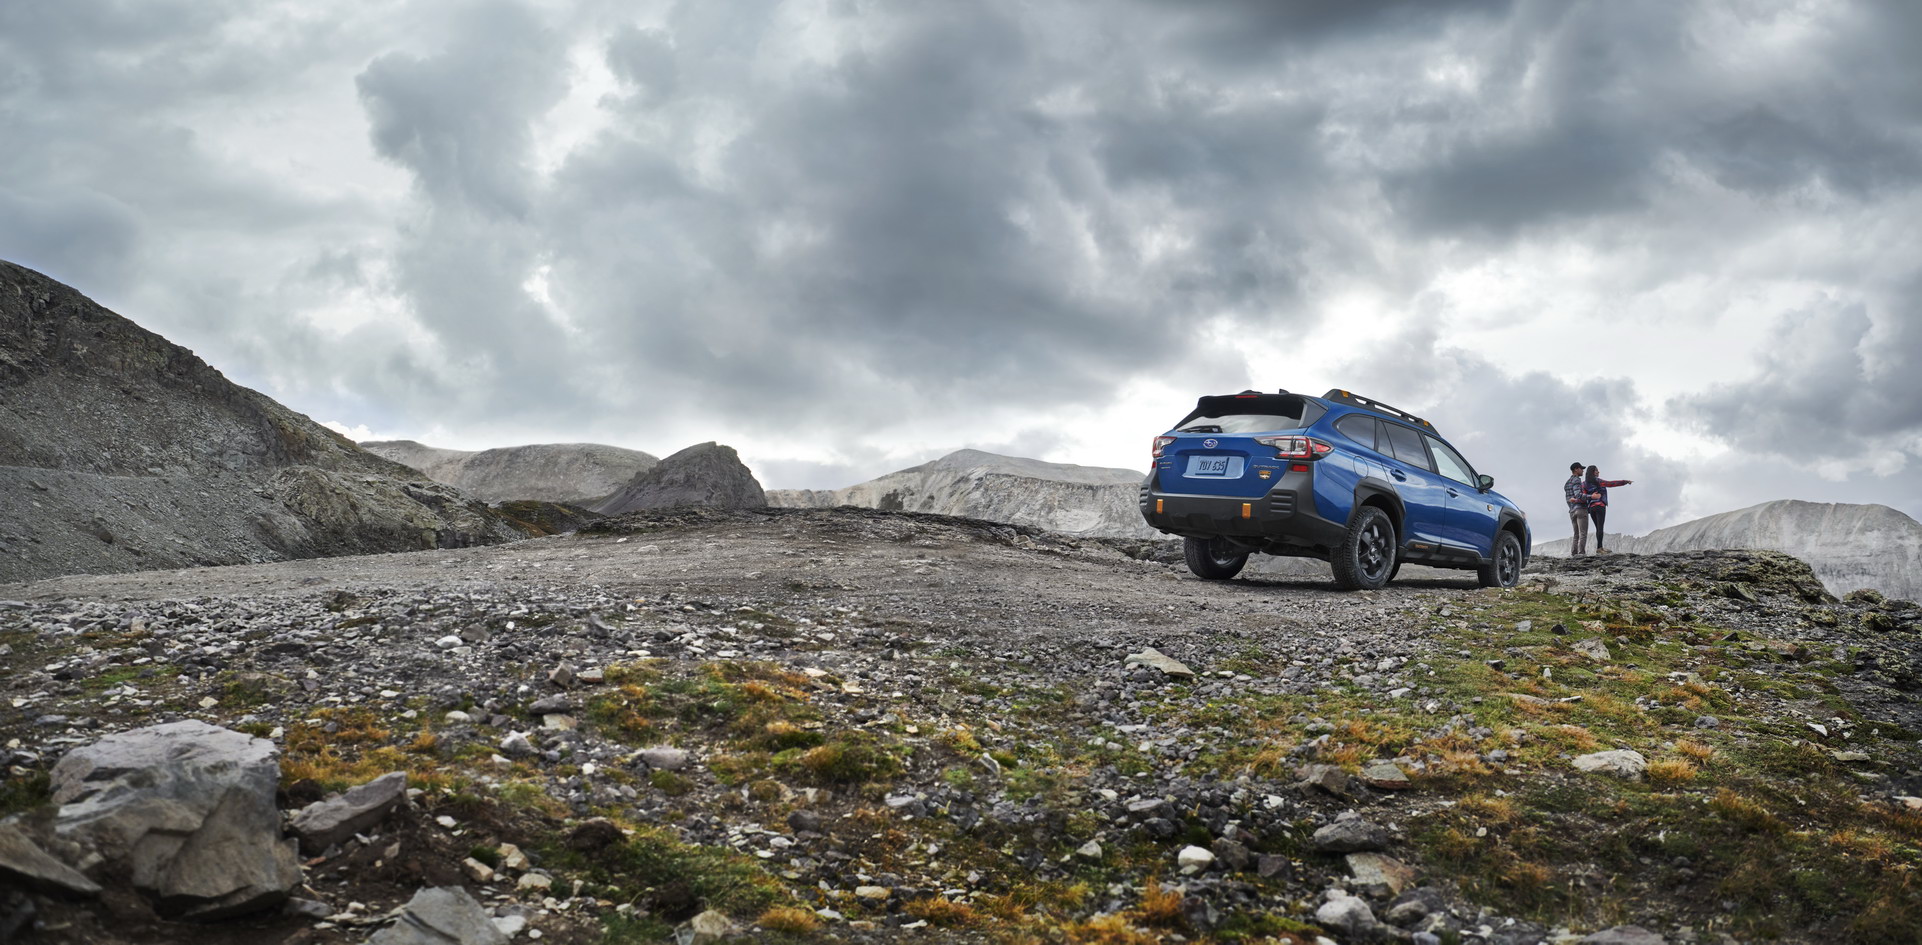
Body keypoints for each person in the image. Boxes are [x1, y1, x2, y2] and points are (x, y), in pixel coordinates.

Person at [1583, 465, 1634, 554]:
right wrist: (1625, 482)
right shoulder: (1598, 481)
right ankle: (1600, 548)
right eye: (1596, 471)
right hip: (1600, 506)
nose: (1598, 472)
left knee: (1597, 528)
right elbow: (1611, 484)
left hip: (1591, 508)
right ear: (1593, 472)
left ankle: (1599, 547)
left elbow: (1583, 496)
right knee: (1600, 527)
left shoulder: (1584, 484)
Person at [1563, 461, 1589, 556]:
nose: (1582, 470)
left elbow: (1568, 499)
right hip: (1581, 509)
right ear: (1576, 469)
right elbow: (1578, 495)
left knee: (1576, 534)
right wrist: (1591, 496)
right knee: (1583, 533)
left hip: (1572, 511)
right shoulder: (1577, 480)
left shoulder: (1567, 483)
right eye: (1581, 469)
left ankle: (1574, 554)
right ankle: (1581, 554)